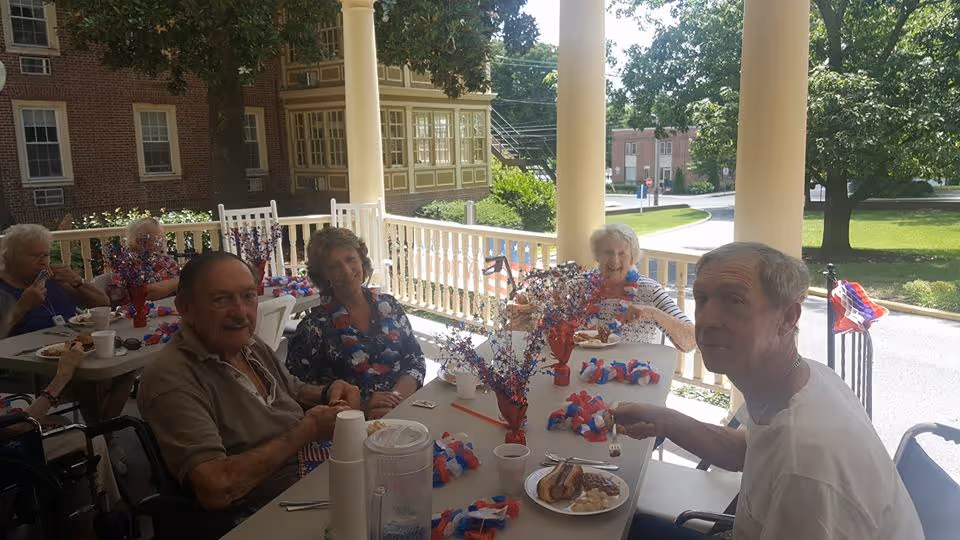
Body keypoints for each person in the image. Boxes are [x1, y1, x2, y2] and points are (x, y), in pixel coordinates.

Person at [617, 242, 922, 540]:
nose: (707, 320)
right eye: (702, 299)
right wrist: (665, 420)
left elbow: (791, 463)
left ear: (787, 318)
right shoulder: (800, 378)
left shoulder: (807, 466)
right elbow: (743, 450)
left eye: (734, 300)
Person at [138, 251, 359, 528]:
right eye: (221, 299)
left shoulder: (248, 344)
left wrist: (328, 392)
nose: (241, 313)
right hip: (272, 510)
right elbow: (216, 488)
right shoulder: (171, 379)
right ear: (185, 306)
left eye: (248, 296)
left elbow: (292, 388)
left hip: (315, 471)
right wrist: (308, 429)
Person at [286, 227, 426, 420]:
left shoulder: (390, 306)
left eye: (350, 259)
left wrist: (395, 399)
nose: (346, 271)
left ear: (361, 260)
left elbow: (414, 359)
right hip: (350, 429)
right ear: (323, 275)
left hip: (404, 412)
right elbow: (296, 394)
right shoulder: (313, 329)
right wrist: (361, 409)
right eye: (334, 266)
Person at [509, 223, 696, 352]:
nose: (615, 260)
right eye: (608, 252)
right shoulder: (577, 287)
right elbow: (544, 328)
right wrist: (524, 318)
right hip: (581, 372)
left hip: (630, 377)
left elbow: (690, 342)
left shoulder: (650, 291)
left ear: (632, 258)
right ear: (597, 256)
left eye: (622, 253)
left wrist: (653, 313)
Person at [1, 341, 122, 509]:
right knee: (91, 438)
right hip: (11, 451)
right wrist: (62, 376)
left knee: (61, 422)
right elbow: (17, 428)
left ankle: (58, 498)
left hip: (10, 432)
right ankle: (109, 511)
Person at [0, 224, 109, 336]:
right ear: (10, 257)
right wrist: (23, 306)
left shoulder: (52, 280)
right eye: (35, 255)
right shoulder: (4, 288)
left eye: (45, 255)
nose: (42, 261)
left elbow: (103, 304)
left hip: (74, 345)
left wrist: (76, 280)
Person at [105, 217, 181, 306]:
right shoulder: (124, 264)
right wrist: (177, 282)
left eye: (159, 238)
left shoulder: (165, 260)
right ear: (136, 240)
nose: (158, 242)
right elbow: (146, 293)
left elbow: (186, 286)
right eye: (151, 238)